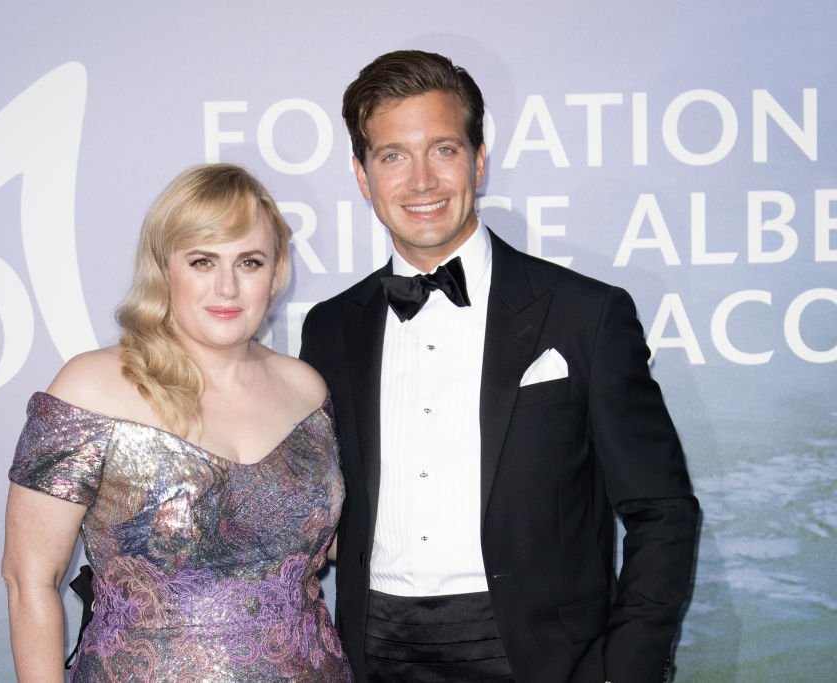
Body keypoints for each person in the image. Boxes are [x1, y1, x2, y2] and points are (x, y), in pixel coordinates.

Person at [299, 50, 699, 682]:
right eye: (393, 156)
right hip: (373, 653)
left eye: (444, 150)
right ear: (361, 174)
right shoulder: (329, 328)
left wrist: (628, 666)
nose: (421, 181)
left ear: (479, 160)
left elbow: (663, 510)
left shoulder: (584, 314)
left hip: (541, 656)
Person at [1, 163, 353, 682]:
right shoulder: (91, 388)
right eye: (203, 261)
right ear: (164, 268)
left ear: (276, 272)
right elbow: (29, 578)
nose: (228, 287)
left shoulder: (306, 390)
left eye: (250, 261)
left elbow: (335, 543)